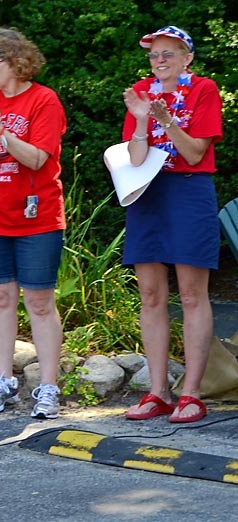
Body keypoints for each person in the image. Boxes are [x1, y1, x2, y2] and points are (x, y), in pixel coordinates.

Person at [0, 27, 66, 420]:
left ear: (14, 62)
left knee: (40, 302)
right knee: (0, 299)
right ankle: (3, 379)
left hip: (36, 219)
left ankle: (49, 386)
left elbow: (38, 159)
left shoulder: (44, 100)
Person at [121, 26, 222, 424]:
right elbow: (134, 155)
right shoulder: (141, 90)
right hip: (147, 191)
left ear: (187, 58)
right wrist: (144, 121)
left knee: (192, 293)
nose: (159, 61)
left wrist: (169, 121)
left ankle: (192, 393)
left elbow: (196, 152)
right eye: (154, 55)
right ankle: (158, 391)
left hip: (188, 188)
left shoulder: (203, 90)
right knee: (149, 293)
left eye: (168, 53)